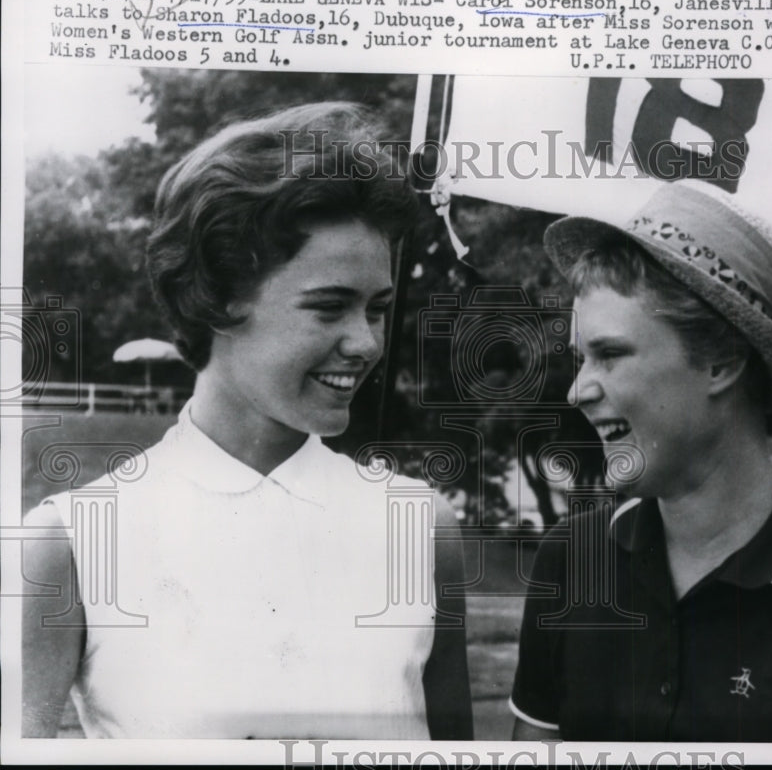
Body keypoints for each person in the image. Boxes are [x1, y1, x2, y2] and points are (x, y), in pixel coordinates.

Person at [22, 102, 473, 739]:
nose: (367, 342)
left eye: (376, 309)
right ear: (217, 299)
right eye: (328, 307)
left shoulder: (421, 526)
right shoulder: (71, 541)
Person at [509, 175, 772, 742]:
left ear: (721, 363)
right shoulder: (571, 559)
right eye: (580, 359)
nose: (578, 389)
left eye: (609, 354)